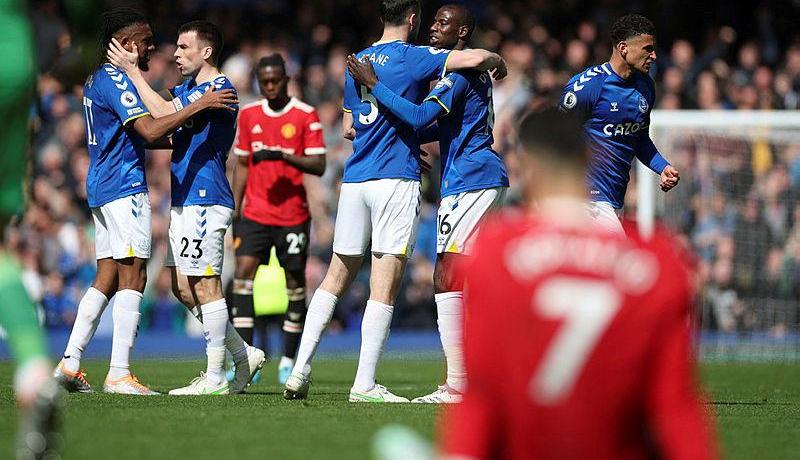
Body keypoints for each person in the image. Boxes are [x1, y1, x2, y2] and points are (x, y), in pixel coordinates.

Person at [439, 108, 717, 460]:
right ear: (588, 158)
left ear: (527, 168)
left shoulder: (493, 257)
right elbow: (677, 412)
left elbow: (482, 400)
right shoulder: (659, 264)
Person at [284, 0, 507, 403]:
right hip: (397, 177)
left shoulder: (356, 62)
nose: (433, 28)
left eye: (443, 22)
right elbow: (458, 78)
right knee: (386, 284)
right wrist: (497, 59)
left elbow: (350, 127)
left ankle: (299, 370)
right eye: (431, 20)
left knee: (336, 277)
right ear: (412, 18)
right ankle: (366, 384)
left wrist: (392, 123)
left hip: (357, 177)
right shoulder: (418, 57)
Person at [53, 8, 237, 395]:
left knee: (106, 277)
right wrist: (199, 105)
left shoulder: (96, 77)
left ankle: (70, 361)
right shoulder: (118, 79)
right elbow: (151, 129)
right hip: (124, 184)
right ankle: (119, 373)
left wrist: (185, 132)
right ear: (127, 43)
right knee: (134, 275)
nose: (154, 48)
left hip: (101, 184)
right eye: (147, 41)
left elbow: (149, 134)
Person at [106, 20, 266, 395]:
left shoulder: (219, 88)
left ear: (205, 52)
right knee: (182, 286)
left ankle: (214, 377)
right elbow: (161, 117)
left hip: (205, 197)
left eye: (183, 47)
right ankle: (243, 353)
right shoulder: (191, 90)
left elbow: (162, 111)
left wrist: (132, 71)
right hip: (185, 198)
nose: (176, 54)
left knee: (206, 284)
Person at [231, 53, 327, 384]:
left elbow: (319, 164)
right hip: (255, 213)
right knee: (243, 275)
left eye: (275, 80)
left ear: (286, 80)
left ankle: (287, 359)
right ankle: (246, 359)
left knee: (295, 283)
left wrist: (283, 155)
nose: (270, 86)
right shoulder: (249, 115)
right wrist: (236, 207)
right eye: (265, 82)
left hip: (292, 215)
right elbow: (242, 163)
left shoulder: (304, 114)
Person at [558, 14, 680, 234]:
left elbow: (639, 138)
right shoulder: (588, 86)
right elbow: (554, 136)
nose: (653, 56)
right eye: (647, 49)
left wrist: (662, 167)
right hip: (586, 201)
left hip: (614, 199)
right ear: (623, 48)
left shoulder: (646, 87)